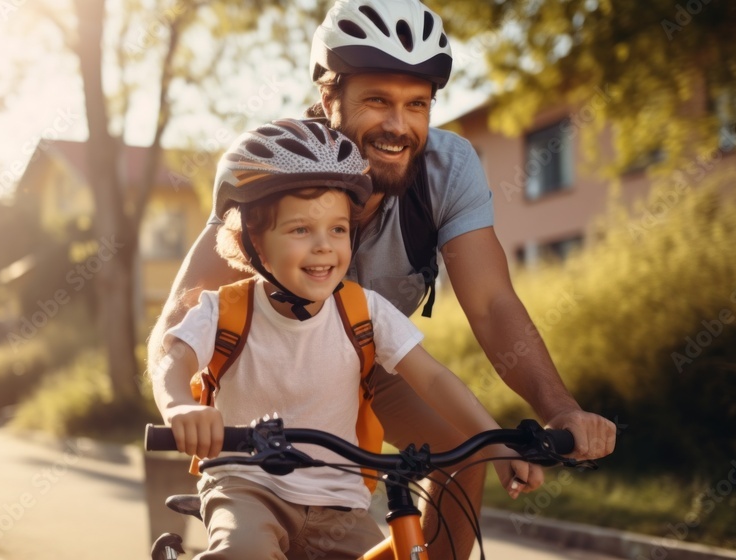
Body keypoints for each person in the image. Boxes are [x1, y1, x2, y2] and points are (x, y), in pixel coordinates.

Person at [148, 1, 617, 557]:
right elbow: (187, 307)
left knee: (467, 451)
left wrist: (557, 409)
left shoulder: (449, 168)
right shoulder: (279, 165)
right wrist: (178, 404)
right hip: (270, 358)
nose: (398, 126)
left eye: (417, 105)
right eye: (377, 101)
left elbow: (491, 304)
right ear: (329, 98)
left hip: (372, 349)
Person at [152, 118, 544, 559]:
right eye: (301, 230)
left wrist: (495, 440)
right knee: (247, 553)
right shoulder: (225, 310)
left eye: (338, 229)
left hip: (341, 503)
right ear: (255, 244)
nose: (324, 247)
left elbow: (432, 380)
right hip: (248, 487)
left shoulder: (365, 311)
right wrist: (179, 407)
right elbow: (175, 358)